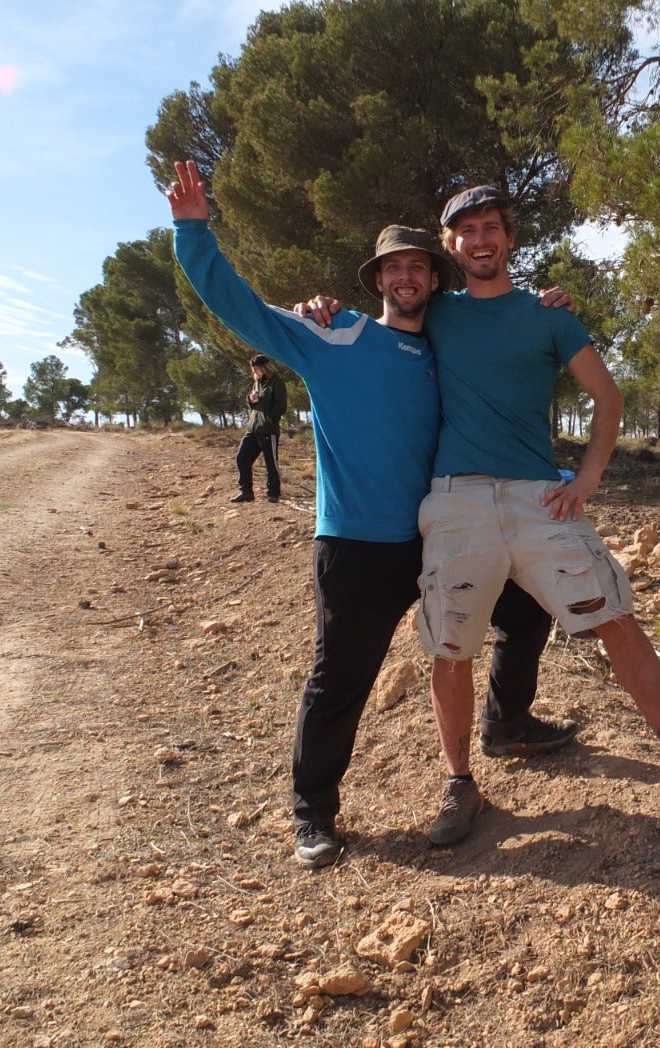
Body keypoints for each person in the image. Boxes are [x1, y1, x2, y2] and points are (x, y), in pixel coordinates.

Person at [163, 161, 564, 869]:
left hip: (444, 529)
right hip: (358, 546)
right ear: (376, 281)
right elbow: (241, 308)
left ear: (434, 280)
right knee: (340, 679)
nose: (406, 277)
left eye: (418, 267)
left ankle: (507, 723)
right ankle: (313, 814)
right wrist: (194, 232)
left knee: (527, 611)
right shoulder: (332, 336)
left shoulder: (448, 343)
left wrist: (548, 306)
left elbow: (508, 333)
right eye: (393, 269)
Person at [415, 185, 660, 844]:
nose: (480, 240)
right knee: (451, 644)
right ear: (451, 244)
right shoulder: (436, 314)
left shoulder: (549, 316)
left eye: (491, 228)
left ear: (508, 239)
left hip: (538, 496)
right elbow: (375, 328)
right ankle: (459, 784)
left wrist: (587, 478)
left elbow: (608, 398)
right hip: (459, 498)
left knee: (614, 617)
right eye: (467, 230)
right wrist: (318, 308)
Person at [232, 354, 286, 503]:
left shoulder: (277, 383)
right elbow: (254, 404)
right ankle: (246, 492)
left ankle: (273, 493)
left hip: (268, 430)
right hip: (253, 429)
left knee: (271, 463)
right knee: (242, 458)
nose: (254, 371)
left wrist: (268, 418)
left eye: (256, 368)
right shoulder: (257, 383)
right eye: (253, 369)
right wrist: (250, 399)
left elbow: (281, 406)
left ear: (264, 367)